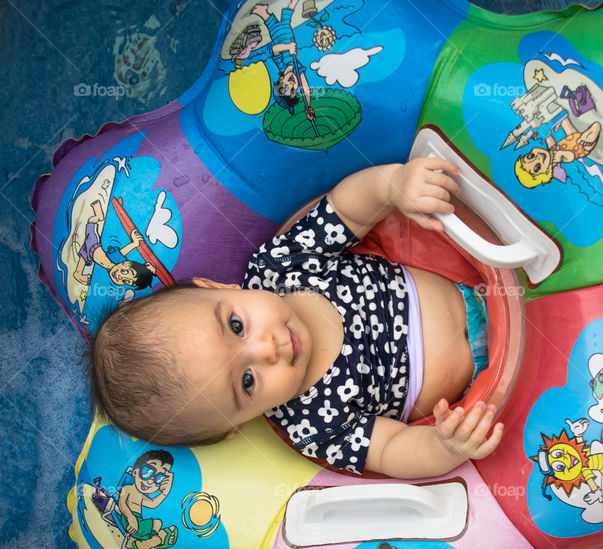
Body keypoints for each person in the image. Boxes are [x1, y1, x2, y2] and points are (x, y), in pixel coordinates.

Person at [90, 157, 503, 480]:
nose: (267, 348)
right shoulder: (310, 424)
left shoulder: (279, 269)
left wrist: (392, 184)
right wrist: (444, 446)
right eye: (247, 382)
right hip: (484, 379)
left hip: (470, 283)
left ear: (218, 287)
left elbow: (348, 210)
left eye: (237, 326)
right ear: (239, 424)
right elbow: (391, 450)